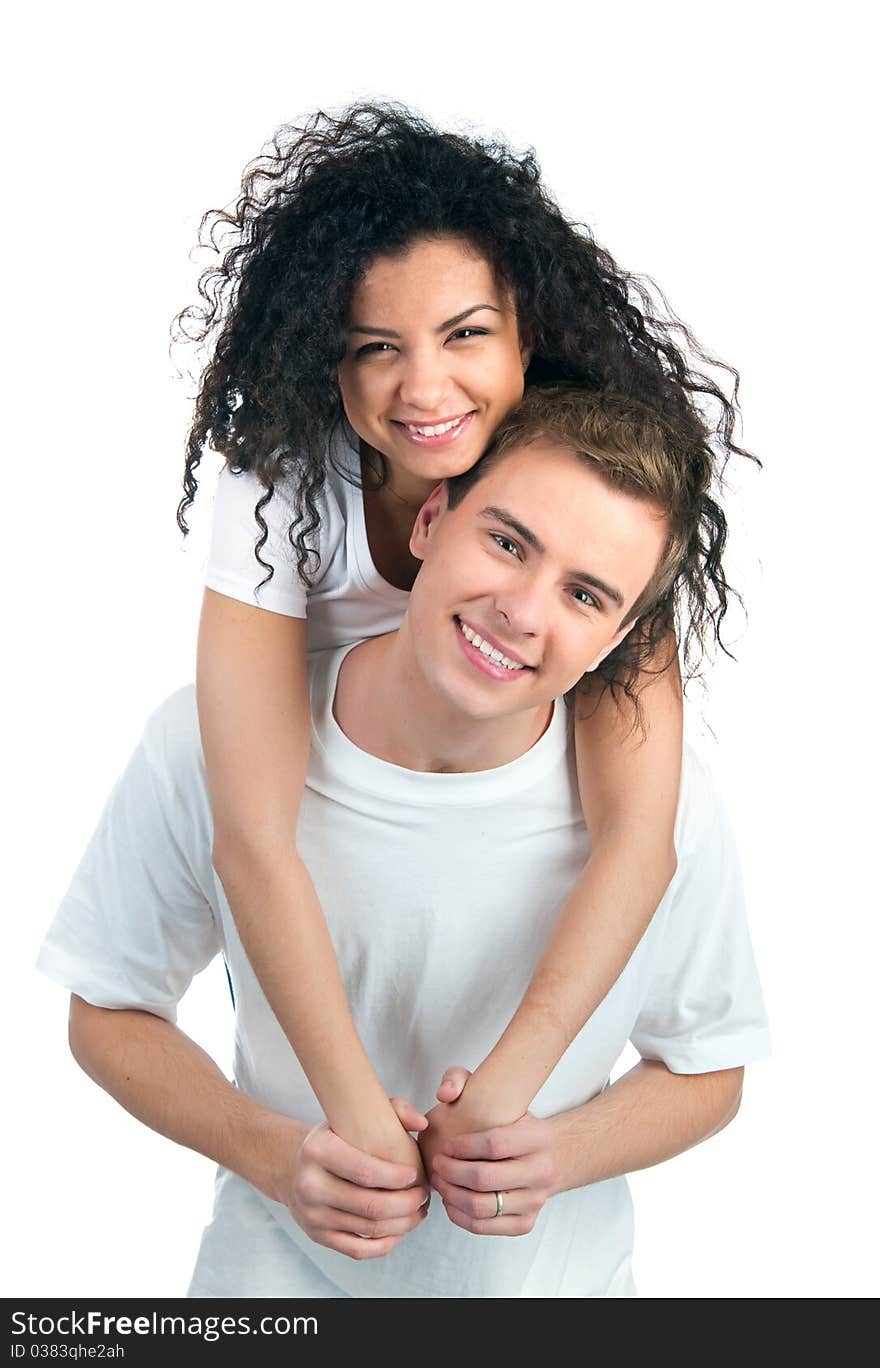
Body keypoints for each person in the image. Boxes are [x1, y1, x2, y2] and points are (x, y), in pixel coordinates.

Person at [39, 386, 770, 1298]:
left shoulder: (671, 808)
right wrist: (275, 1156)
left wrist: (559, 1154)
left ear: (617, 637)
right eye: (507, 542)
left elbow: (708, 1067)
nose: (523, 610)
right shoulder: (211, 744)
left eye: (585, 594)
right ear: (430, 520)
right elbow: (107, 1008)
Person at [181, 103, 750, 1167]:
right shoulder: (282, 489)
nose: (425, 390)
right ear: (328, 365)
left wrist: (501, 1098)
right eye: (376, 349)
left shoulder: (594, 495)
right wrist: (348, 1113)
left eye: (465, 334)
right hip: (342, 842)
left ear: (525, 335)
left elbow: (636, 839)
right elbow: (254, 834)